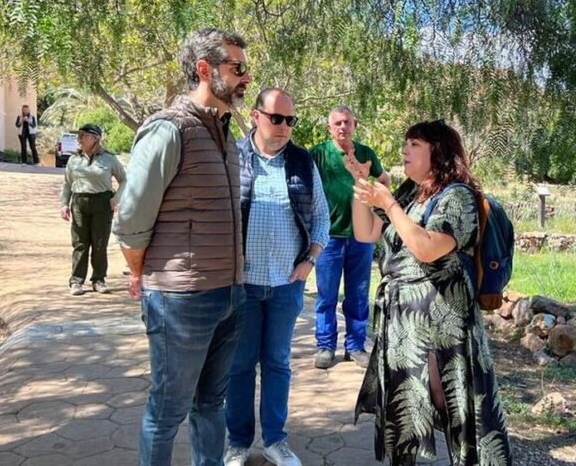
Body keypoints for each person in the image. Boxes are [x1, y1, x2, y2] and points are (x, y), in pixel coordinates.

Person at [112, 28, 251, 466]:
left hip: (230, 294)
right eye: (237, 67)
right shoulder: (168, 130)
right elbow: (131, 219)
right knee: (167, 411)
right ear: (204, 70)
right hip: (180, 299)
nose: (246, 77)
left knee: (211, 404)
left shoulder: (226, 135)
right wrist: (138, 273)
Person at [347, 120, 512, 465]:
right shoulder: (409, 193)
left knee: (455, 410)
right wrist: (361, 186)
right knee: (404, 412)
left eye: (414, 145)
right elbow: (365, 233)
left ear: (437, 152)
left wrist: (389, 204)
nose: (404, 150)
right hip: (404, 324)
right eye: (405, 143)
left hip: (442, 327)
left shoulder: (457, 196)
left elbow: (426, 247)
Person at [223, 88, 330, 466]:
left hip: (287, 284)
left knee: (278, 363)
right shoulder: (232, 156)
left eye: (290, 120)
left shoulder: (302, 162)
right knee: (239, 365)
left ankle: (275, 441)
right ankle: (237, 443)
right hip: (244, 284)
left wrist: (311, 260)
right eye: (277, 118)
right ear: (255, 117)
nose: (285, 127)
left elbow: (321, 216)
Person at [310, 105, 389, 369]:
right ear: (329, 128)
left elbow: (384, 180)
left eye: (347, 122)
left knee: (357, 293)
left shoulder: (366, 153)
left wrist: (377, 206)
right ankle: (325, 345)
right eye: (338, 123)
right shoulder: (318, 154)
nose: (343, 127)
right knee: (327, 294)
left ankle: (355, 346)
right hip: (328, 236)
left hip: (361, 237)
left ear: (354, 124)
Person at [59, 123, 126, 296]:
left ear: (95, 138)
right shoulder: (74, 159)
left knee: (99, 243)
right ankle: (76, 281)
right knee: (80, 243)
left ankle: (98, 280)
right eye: (78, 136)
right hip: (79, 202)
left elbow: (125, 180)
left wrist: (115, 199)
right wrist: (64, 204)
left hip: (102, 203)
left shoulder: (109, 159)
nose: (79, 139)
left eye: (83, 135)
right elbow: (67, 184)